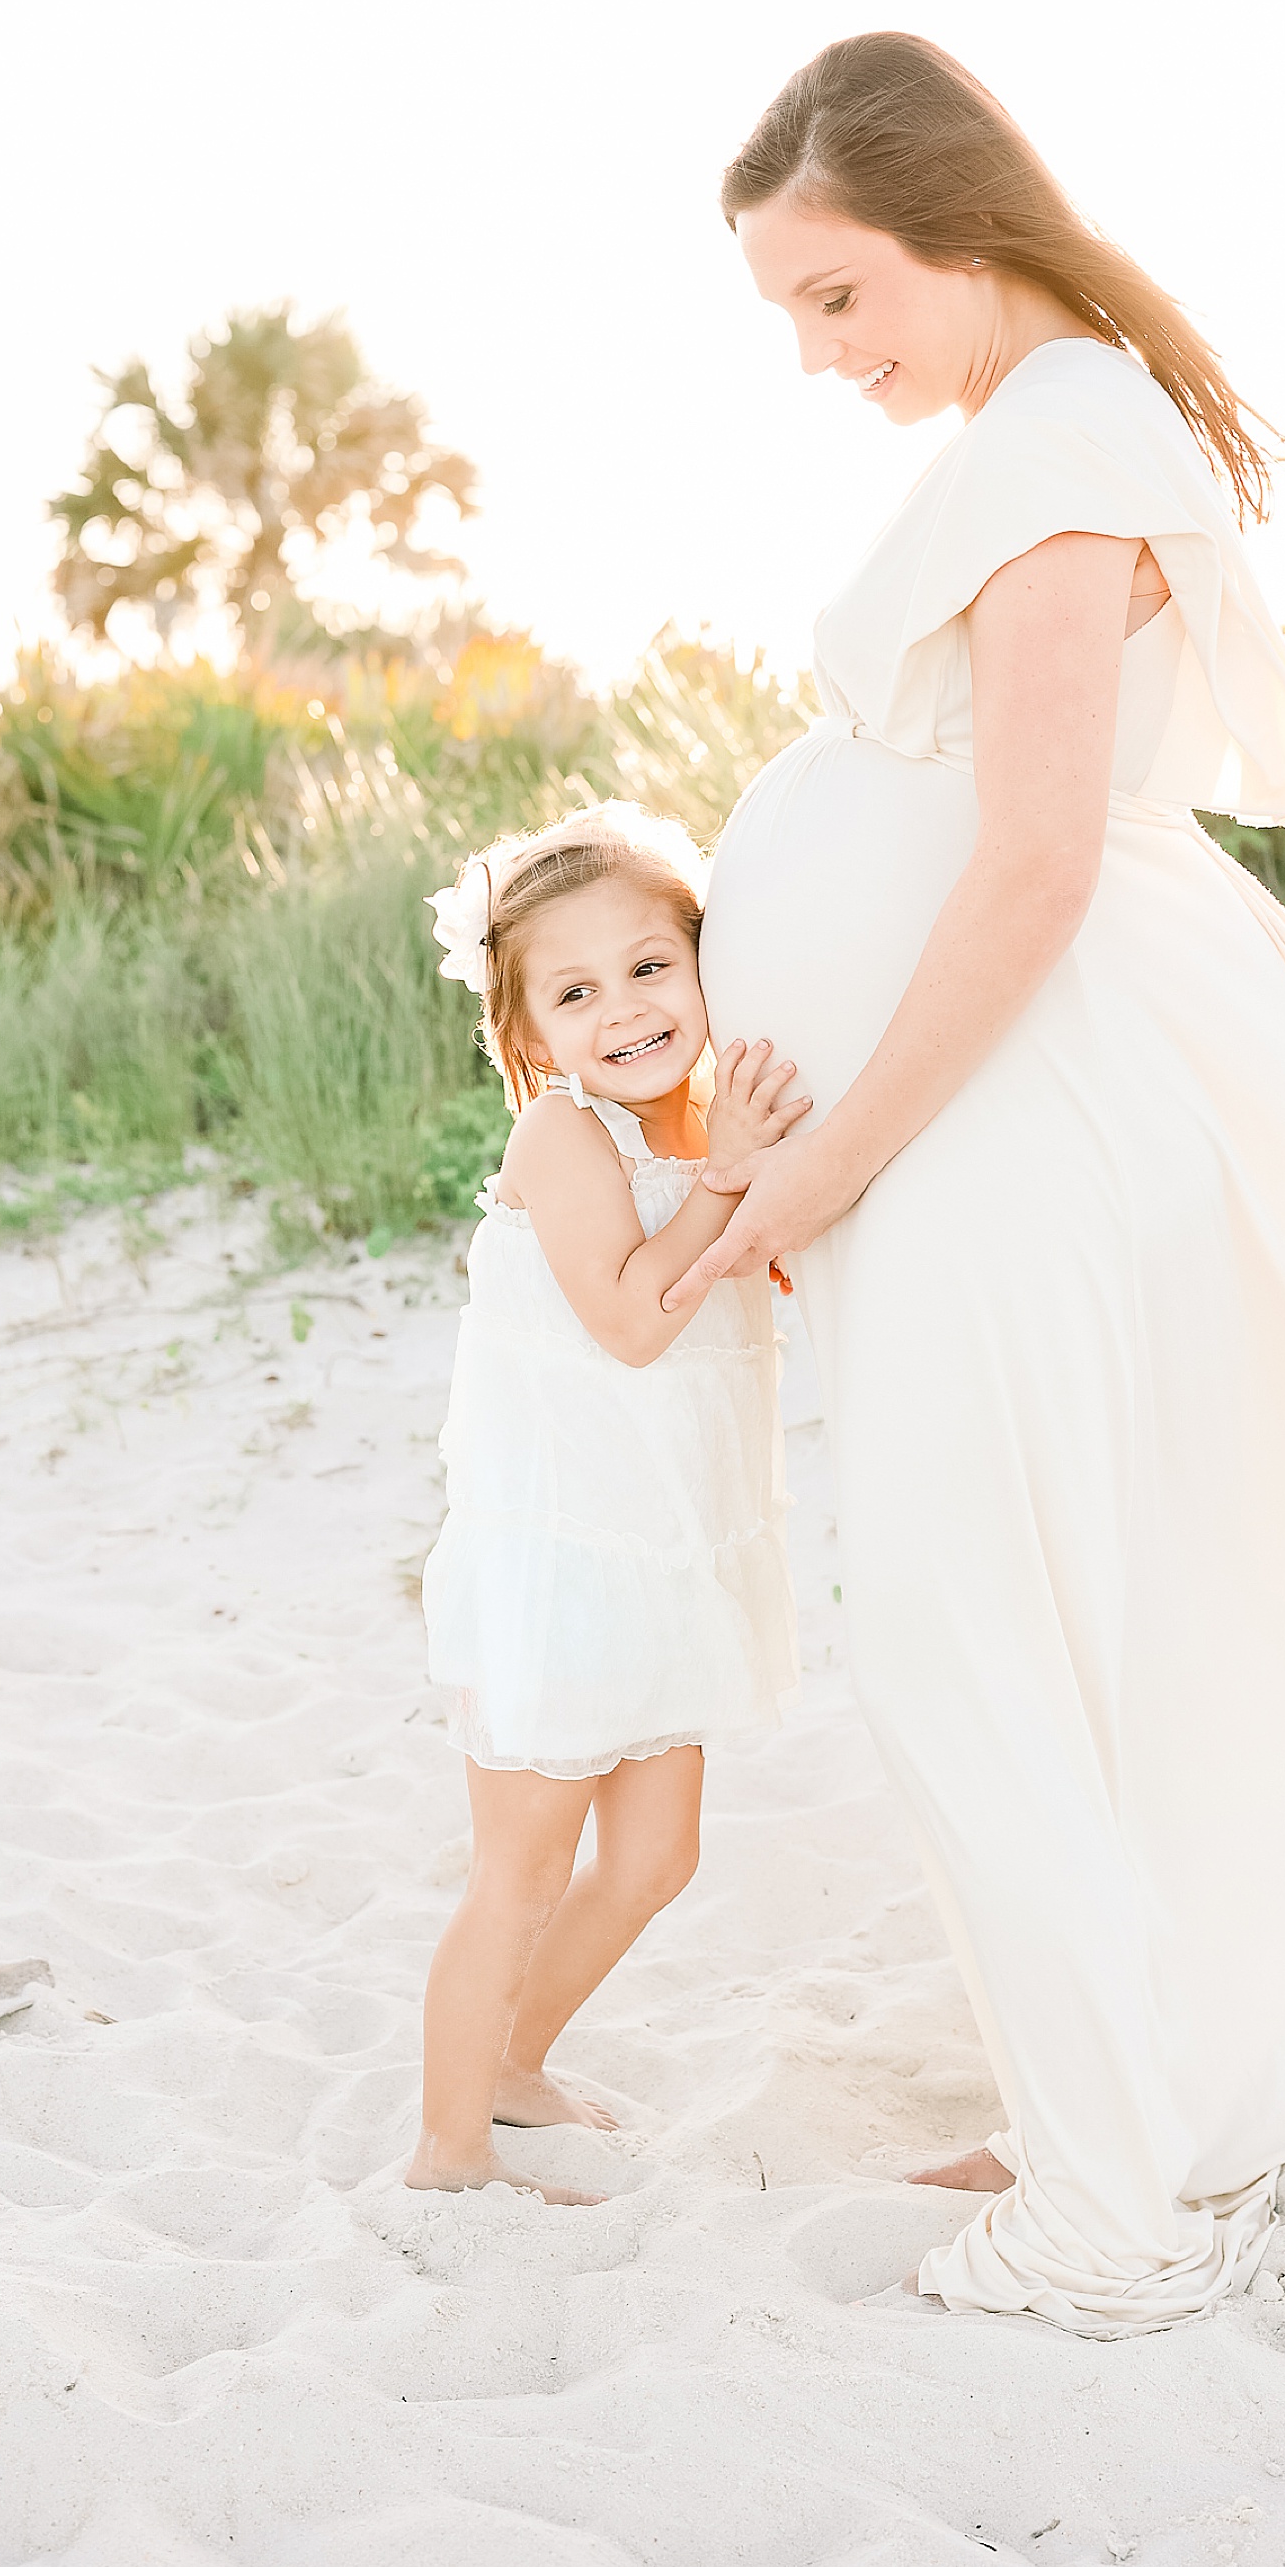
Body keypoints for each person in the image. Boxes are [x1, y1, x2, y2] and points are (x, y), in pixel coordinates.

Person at [678, 33, 1285, 2331]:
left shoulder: (1059, 450)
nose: (823, 358)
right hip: (986, 1108)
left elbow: (1032, 863)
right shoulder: (1054, 426)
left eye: (838, 298)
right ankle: (1102, 2092)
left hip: (1006, 1108)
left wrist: (828, 1153)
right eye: (791, 319)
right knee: (1042, 1597)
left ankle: (1109, 2206)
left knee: (971, 1603)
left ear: (956, 218)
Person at [407, 803, 802, 2194]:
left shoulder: (701, 1121)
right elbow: (635, 1320)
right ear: (529, 1041)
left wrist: (742, 1172)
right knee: (516, 1875)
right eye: (576, 993)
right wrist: (731, 1185)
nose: (625, 1009)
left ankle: (516, 2061)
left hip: (669, 1552)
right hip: (562, 1559)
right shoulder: (564, 1142)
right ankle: (447, 2155)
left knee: (655, 1857)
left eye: (651, 967)